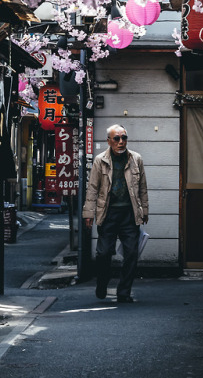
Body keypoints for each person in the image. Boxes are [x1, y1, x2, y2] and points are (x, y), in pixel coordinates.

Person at [82, 124, 149, 303]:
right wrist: (88, 213)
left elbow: (142, 187)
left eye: (124, 138)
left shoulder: (136, 159)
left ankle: (124, 292)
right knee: (103, 253)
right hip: (108, 213)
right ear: (109, 141)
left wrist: (145, 211)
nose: (121, 142)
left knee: (131, 254)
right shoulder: (100, 160)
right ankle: (102, 283)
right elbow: (92, 188)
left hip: (130, 213)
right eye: (117, 138)